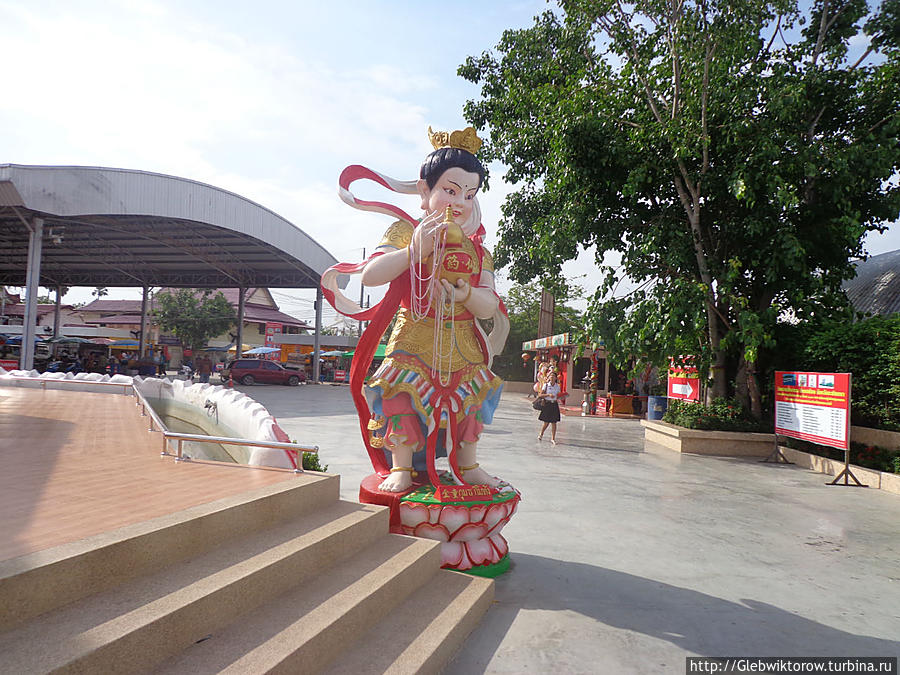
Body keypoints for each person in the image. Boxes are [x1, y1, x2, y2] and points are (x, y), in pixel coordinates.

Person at [321, 125, 509, 493]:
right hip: (413, 334)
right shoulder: (404, 231)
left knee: (470, 401)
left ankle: (467, 465)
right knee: (401, 397)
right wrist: (414, 252)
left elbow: (489, 304)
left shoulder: (477, 249)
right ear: (426, 190)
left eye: (469, 194)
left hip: (461, 340)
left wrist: (466, 295)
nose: (459, 202)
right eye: (450, 190)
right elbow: (370, 276)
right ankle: (402, 468)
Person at [538, 370, 562, 445]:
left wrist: (561, 397)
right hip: (547, 404)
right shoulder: (546, 385)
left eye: (553, 376)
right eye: (550, 376)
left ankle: (553, 438)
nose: (552, 377)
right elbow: (540, 395)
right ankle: (541, 434)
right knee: (546, 422)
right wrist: (548, 395)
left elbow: (559, 395)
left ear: (555, 378)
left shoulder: (557, 386)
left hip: (554, 404)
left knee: (554, 422)